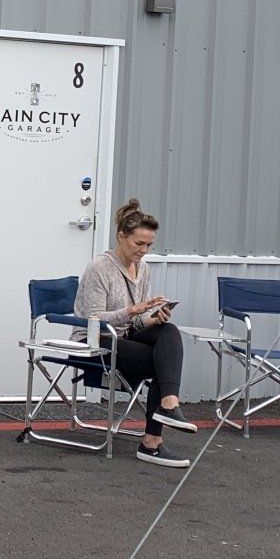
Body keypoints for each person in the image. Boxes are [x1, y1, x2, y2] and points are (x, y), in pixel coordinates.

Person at [76, 198, 199, 468]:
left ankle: (169, 403)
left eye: (149, 245)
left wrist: (151, 318)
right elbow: (92, 320)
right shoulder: (99, 268)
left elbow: (136, 324)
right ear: (121, 236)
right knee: (161, 362)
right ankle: (151, 443)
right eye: (138, 244)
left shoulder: (143, 269)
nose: (144, 250)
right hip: (95, 341)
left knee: (168, 331)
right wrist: (132, 311)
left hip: (125, 337)